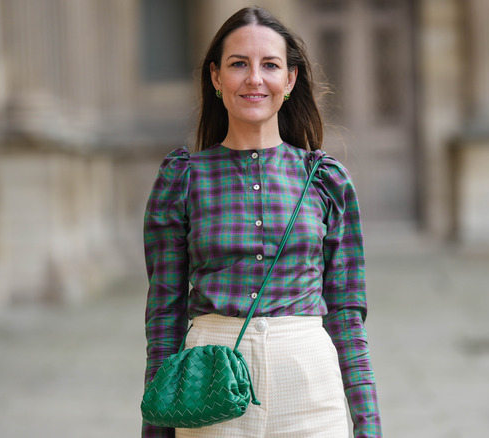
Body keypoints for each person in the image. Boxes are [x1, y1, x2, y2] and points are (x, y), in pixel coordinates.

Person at [142, 6, 381, 438]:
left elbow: (347, 312)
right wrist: (157, 427)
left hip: (309, 383)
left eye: (269, 65)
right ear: (216, 78)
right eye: (238, 64)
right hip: (210, 385)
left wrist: (369, 424)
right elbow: (164, 313)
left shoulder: (325, 180)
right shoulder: (182, 178)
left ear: (289, 80)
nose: (255, 78)